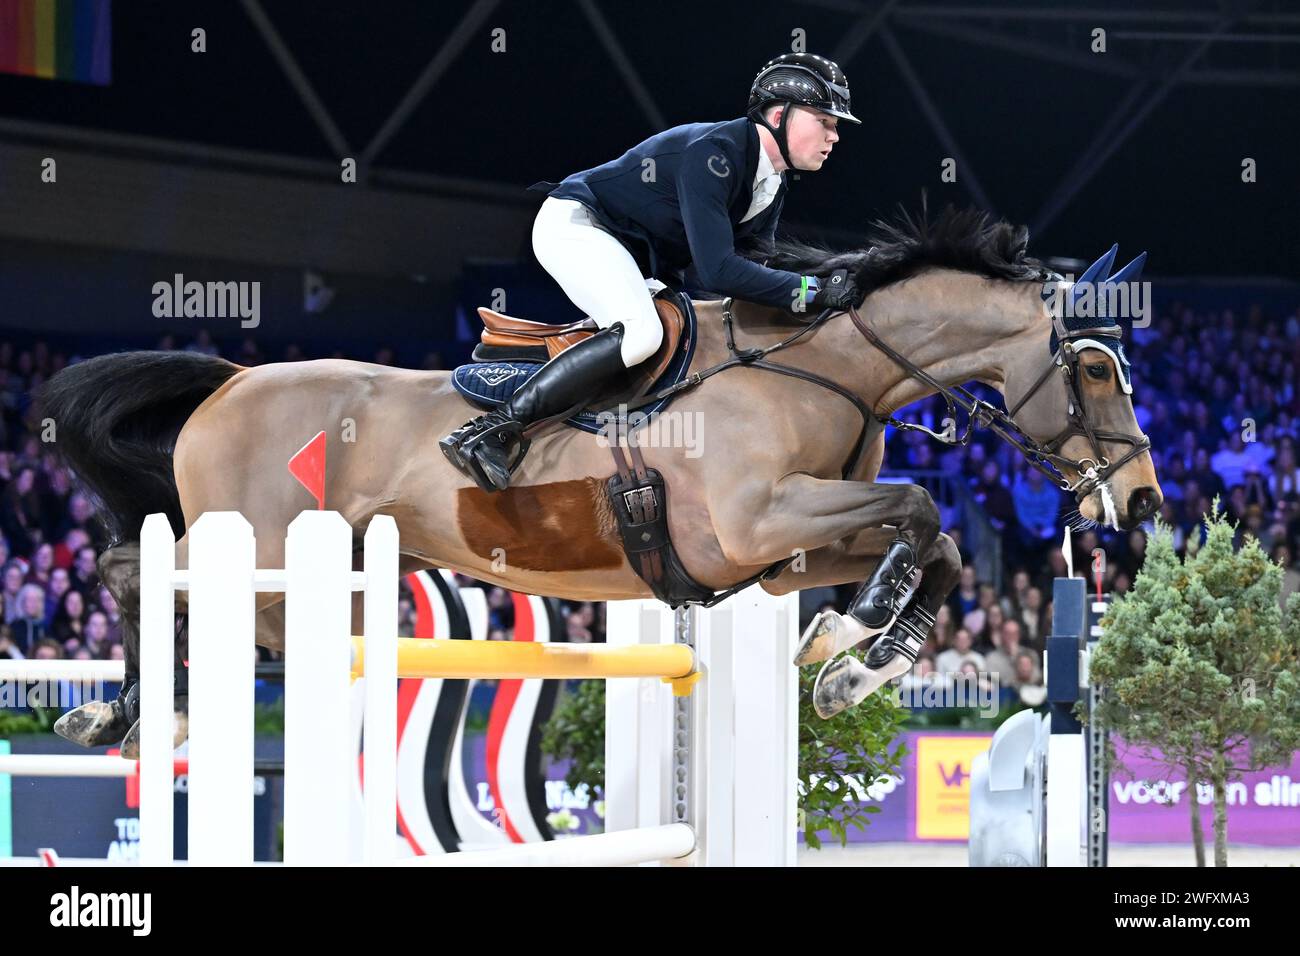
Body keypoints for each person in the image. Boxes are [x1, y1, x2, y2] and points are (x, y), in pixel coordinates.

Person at [440, 53, 863, 493]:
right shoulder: (715, 154)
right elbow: (718, 271)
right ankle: (490, 431)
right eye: (825, 121)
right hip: (577, 226)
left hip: (636, 255)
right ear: (779, 115)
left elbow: (760, 269)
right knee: (641, 334)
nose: (834, 136)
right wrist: (810, 291)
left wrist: (829, 281)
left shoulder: (770, 181)